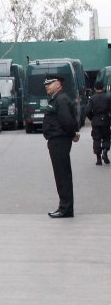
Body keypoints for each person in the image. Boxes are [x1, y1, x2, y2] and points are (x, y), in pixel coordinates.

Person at [42, 75, 80, 218]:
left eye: (50, 83)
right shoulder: (57, 99)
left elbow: (67, 120)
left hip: (59, 140)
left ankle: (66, 208)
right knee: (61, 174)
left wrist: (72, 134)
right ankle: (65, 206)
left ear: (58, 84)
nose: (46, 86)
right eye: (46, 84)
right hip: (56, 140)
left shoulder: (61, 99)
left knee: (62, 175)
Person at [85, 82, 111, 165]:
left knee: (96, 139)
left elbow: (88, 111)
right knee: (106, 137)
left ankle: (98, 159)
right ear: (103, 88)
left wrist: (92, 118)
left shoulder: (92, 98)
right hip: (106, 120)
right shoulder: (108, 97)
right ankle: (105, 151)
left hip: (96, 120)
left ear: (95, 88)